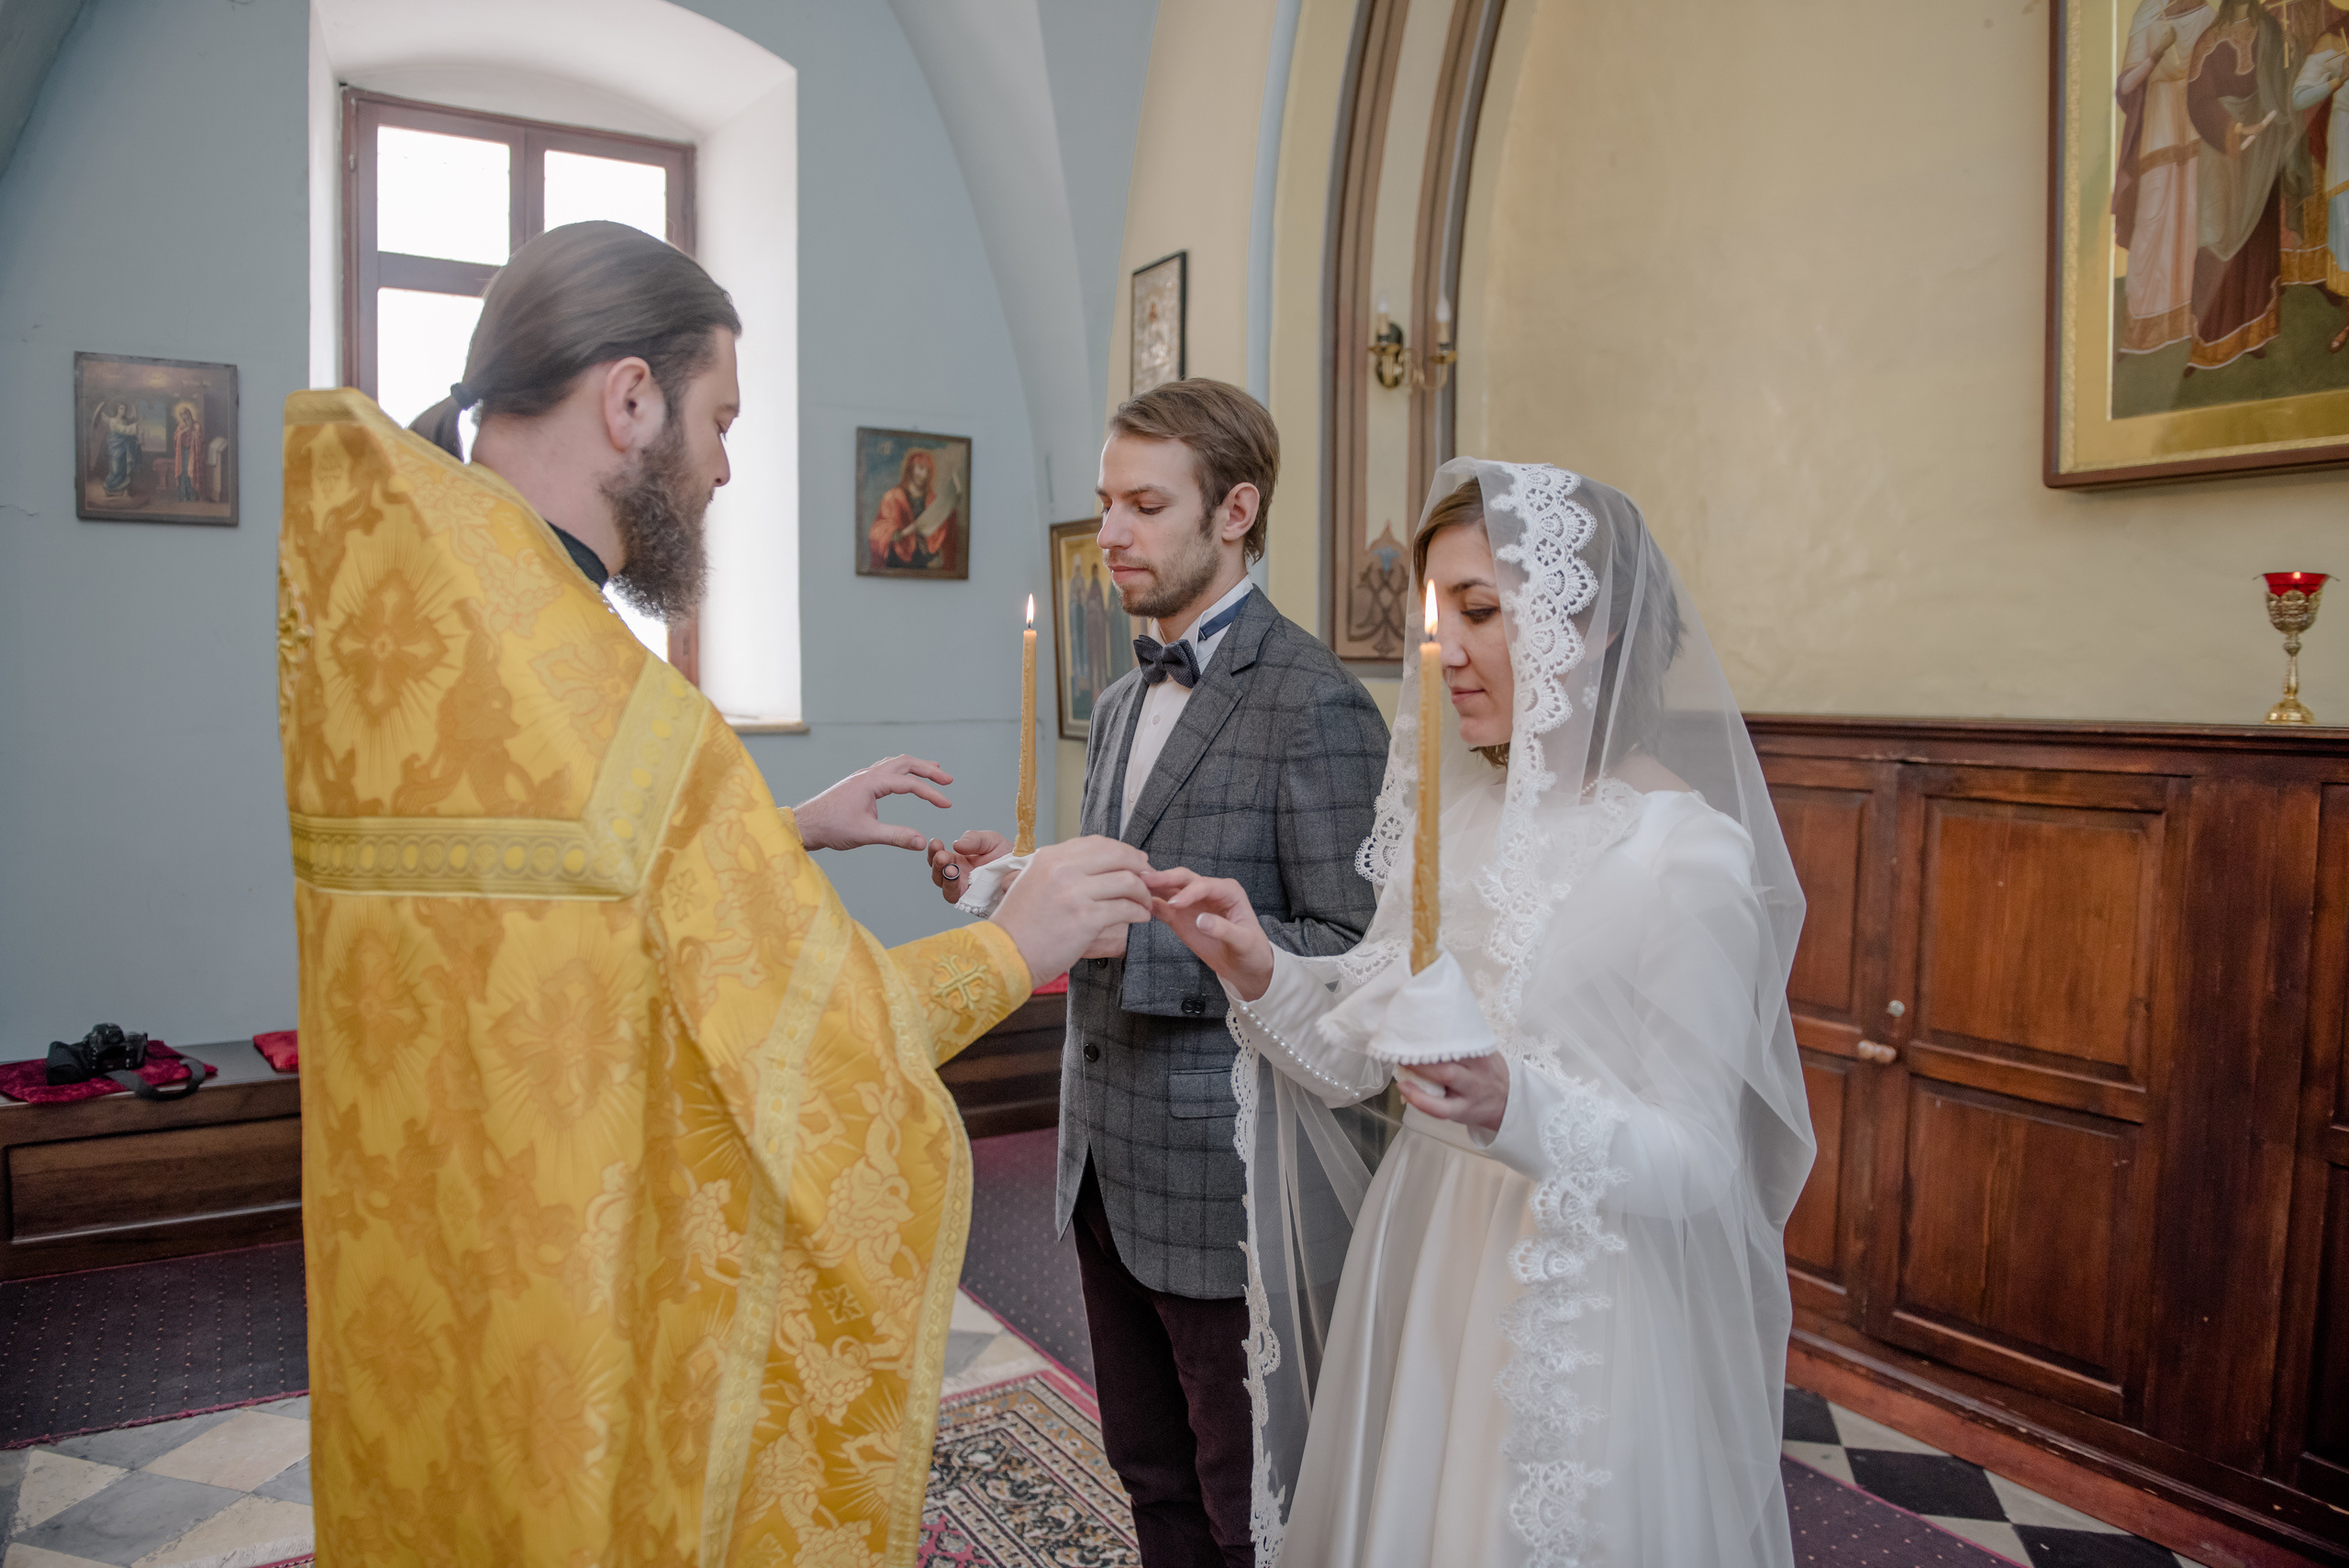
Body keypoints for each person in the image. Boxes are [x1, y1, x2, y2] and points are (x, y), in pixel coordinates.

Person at [279, 220, 1155, 1566]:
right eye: (721, 418)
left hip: (432, 1282)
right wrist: (1010, 938)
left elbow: (572, 903)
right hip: (585, 1306)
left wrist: (776, 828)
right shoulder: (619, 705)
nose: (727, 465)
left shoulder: (415, 619)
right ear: (629, 398)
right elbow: (813, 1034)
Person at [1146, 460, 1815, 1566]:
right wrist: (1257, 962)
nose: (1443, 648)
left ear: (1591, 626)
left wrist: (1521, 1105)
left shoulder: (1683, 857)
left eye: (1481, 610)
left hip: (1574, 1298)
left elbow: (1702, 1162)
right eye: (1436, 611)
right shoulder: (1453, 818)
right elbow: (1366, 1058)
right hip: (1425, 1255)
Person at [926, 379, 1389, 1567]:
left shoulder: (1318, 705)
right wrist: (1018, 884)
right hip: (1100, 1162)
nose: (1112, 534)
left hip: (1228, 1174)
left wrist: (1156, 950)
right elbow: (1127, 881)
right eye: (1104, 502)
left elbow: (1355, 956)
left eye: (1143, 504)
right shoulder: (1127, 692)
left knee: (1247, 1498)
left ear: (1236, 508)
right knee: (1148, 1473)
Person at [2186, 0, 2308, 370]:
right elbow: (2197, 99)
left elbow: (2285, 82)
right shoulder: (2208, 39)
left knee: (2257, 237)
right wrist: (2234, 128)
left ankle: (2254, 330)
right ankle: (2209, 337)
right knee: (2216, 232)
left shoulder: (2269, 28)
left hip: (2263, 144)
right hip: (2223, 145)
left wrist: (2295, 51)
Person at [2114, 0, 2214, 354]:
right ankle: (2145, 322)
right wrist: (2158, 52)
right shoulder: (2148, 13)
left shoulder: (2205, 10)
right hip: (2159, 123)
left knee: (2194, 216)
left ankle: (2193, 316)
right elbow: (2126, 85)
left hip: (2196, 121)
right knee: (2153, 219)